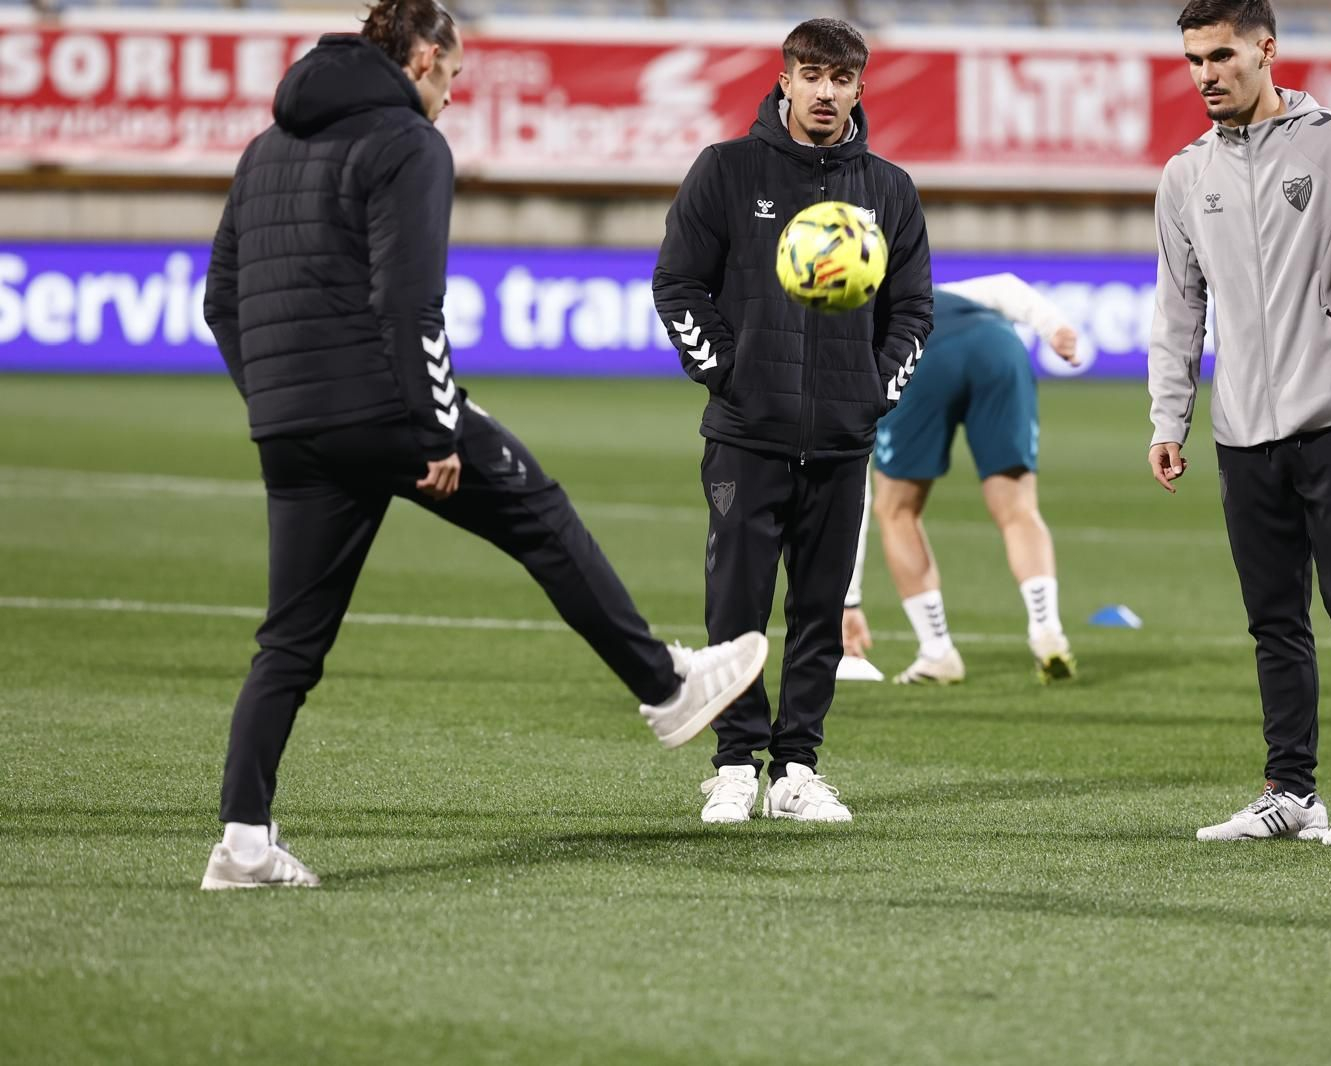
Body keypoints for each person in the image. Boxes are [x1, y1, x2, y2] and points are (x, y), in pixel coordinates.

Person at [198, 0, 768, 890]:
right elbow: (410, 300)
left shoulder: (266, 146)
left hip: (290, 421)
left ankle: (242, 845)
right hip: (387, 409)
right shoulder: (408, 142)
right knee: (539, 513)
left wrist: (273, 399)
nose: (454, 98)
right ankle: (666, 688)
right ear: (423, 58)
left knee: (289, 644)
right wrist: (435, 426)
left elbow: (219, 299)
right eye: (454, 76)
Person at [1147, 0, 1331, 846]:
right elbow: (1178, 312)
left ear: (1266, 50)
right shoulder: (1185, 174)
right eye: (1194, 59)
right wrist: (1171, 416)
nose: (1206, 74)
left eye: (1222, 55)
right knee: (1274, 617)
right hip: (1243, 437)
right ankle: (1290, 790)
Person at [653, 18, 933, 825]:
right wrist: (725, 374)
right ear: (784, 80)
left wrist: (874, 391)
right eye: (811, 75)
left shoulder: (888, 190)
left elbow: (913, 310)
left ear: (860, 88)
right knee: (734, 605)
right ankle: (735, 763)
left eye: (841, 79)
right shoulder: (727, 171)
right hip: (747, 435)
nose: (825, 92)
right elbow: (678, 284)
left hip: (844, 439)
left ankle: (797, 768)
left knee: (820, 610)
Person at [836, 274, 1082, 686]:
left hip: (921, 356)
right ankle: (1047, 629)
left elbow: (852, 482)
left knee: (896, 510)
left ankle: (937, 652)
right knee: (1019, 508)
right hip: (999, 346)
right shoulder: (936, 292)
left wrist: (848, 599)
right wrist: (1053, 326)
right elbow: (1006, 286)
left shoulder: (850, 342)